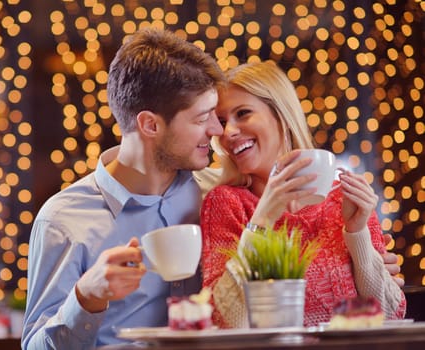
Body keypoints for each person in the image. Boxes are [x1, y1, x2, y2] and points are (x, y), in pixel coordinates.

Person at [22, 28, 225, 349]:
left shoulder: (215, 196)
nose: (216, 130)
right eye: (202, 118)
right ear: (150, 125)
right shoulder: (63, 220)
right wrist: (86, 297)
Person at [200, 61, 406, 328]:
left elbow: (390, 315)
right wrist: (262, 220)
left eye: (243, 113)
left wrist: (357, 234)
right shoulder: (225, 203)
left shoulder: (342, 200)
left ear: (282, 116)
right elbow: (224, 320)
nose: (229, 132)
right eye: (223, 121)